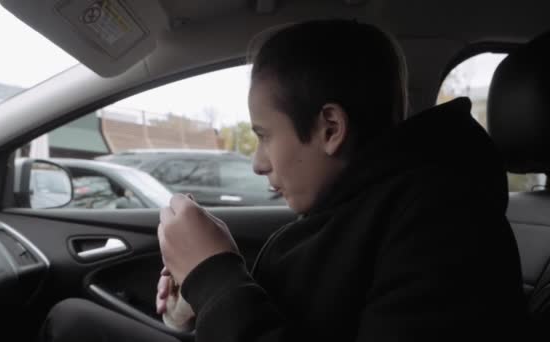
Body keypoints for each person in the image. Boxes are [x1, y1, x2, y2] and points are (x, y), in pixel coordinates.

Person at [42, 19, 528, 341]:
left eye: (264, 136)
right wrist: (199, 305)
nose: (257, 163)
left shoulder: (445, 227)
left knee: (70, 325)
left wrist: (215, 278)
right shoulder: (356, 208)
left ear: (330, 128)